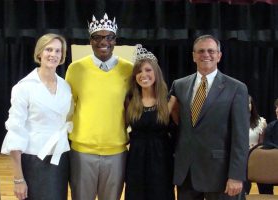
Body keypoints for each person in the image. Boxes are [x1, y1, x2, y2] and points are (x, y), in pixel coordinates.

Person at [169, 34, 250, 200]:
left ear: (219, 56)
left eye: (211, 51)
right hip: (187, 173)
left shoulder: (236, 88)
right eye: (201, 51)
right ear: (193, 56)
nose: (206, 55)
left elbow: (240, 138)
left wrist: (236, 175)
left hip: (221, 174)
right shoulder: (179, 85)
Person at [65, 13, 133, 200]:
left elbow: (133, 106)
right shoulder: (75, 69)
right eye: (98, 37)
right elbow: (67, 107)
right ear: (90, 41)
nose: (104, 42)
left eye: (109, 37)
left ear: (115, 40)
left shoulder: (128, 69)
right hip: (82, 151)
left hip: (116, 151)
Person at [1, 33, 72, 200]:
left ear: (62, 55)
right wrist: (18, 178)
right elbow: (15, 131)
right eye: (49, 49)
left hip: (60, 157)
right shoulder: (24, 87)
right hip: (34, 159)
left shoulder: (65, 86)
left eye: (57, 51)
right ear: (39, 52)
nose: (53, 54)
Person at [124, 44, 175, 200]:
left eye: (148, 70)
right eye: (139, 71)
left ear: (156, 73)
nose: (143, 75)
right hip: (136, 159)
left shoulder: (170, 100)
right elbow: (121, 127)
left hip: (162, 159)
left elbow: (179, 131)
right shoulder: (129, 100)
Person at [244, 95, 267, 194]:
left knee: (264, 187)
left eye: (248, 103)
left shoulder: (261, 121)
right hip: (240, 158)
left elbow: (263, 143)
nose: (246, 105)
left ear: (252, 105)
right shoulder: (233, 121)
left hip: (256, 157)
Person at [258, 98, 278, 194]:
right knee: (262, 170)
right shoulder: (271, 126)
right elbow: (266, 145)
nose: (277, 110)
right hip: (273, 165)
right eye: (276, 107)